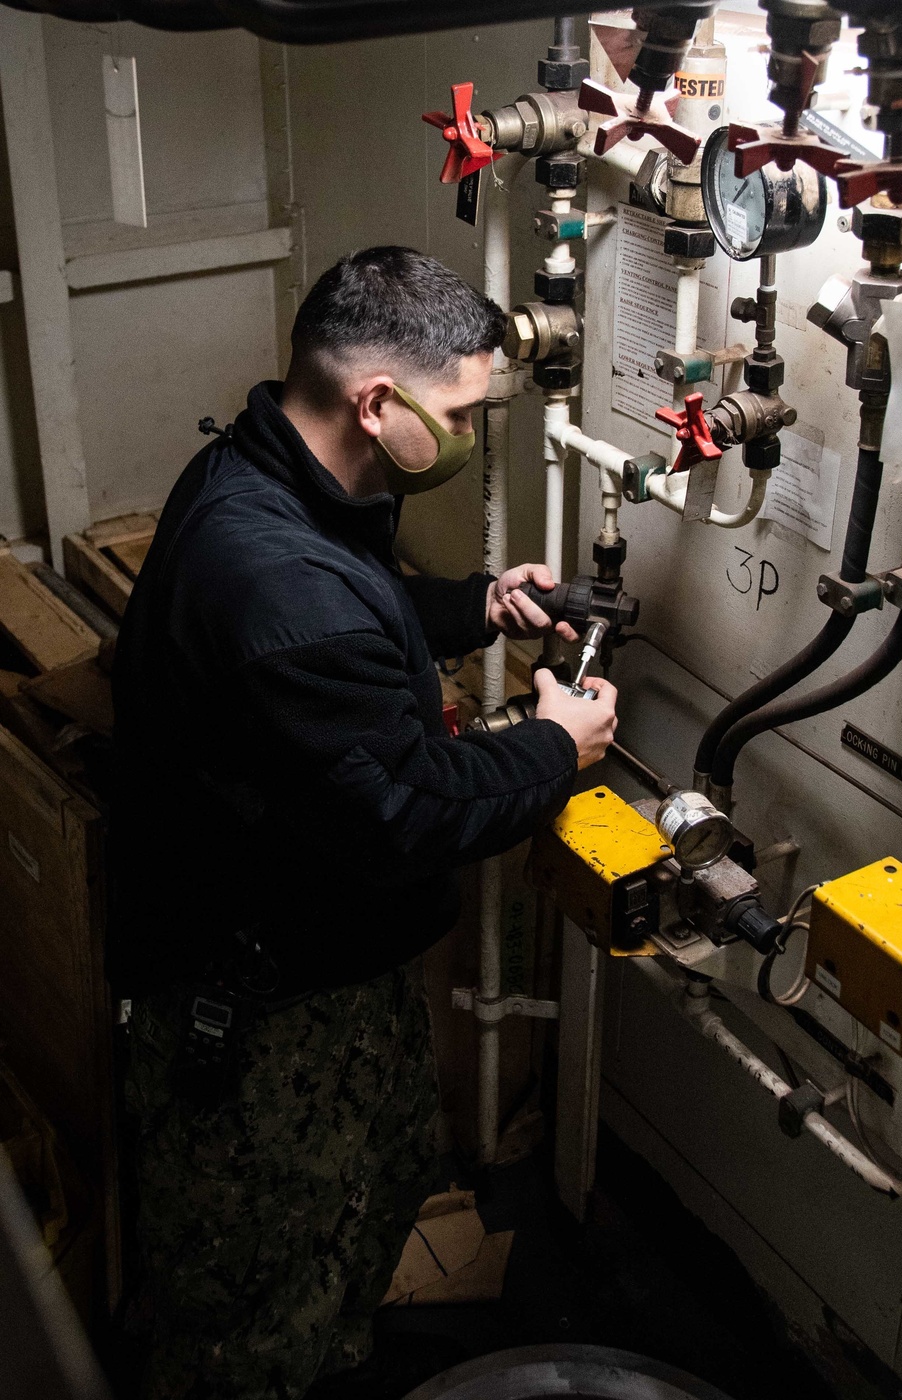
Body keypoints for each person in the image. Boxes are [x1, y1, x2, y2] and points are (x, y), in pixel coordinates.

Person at [110, 245, 618, 1400]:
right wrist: (556, 744)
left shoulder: (262, 468)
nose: (469, 437)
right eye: (460, 414)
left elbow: (356, 616)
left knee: (371, 1195)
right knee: (256, 1315)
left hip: (322, 962)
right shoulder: (274, 579)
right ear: (376, 402)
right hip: (259, 1013)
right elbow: (403, 807)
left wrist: (474, 607)